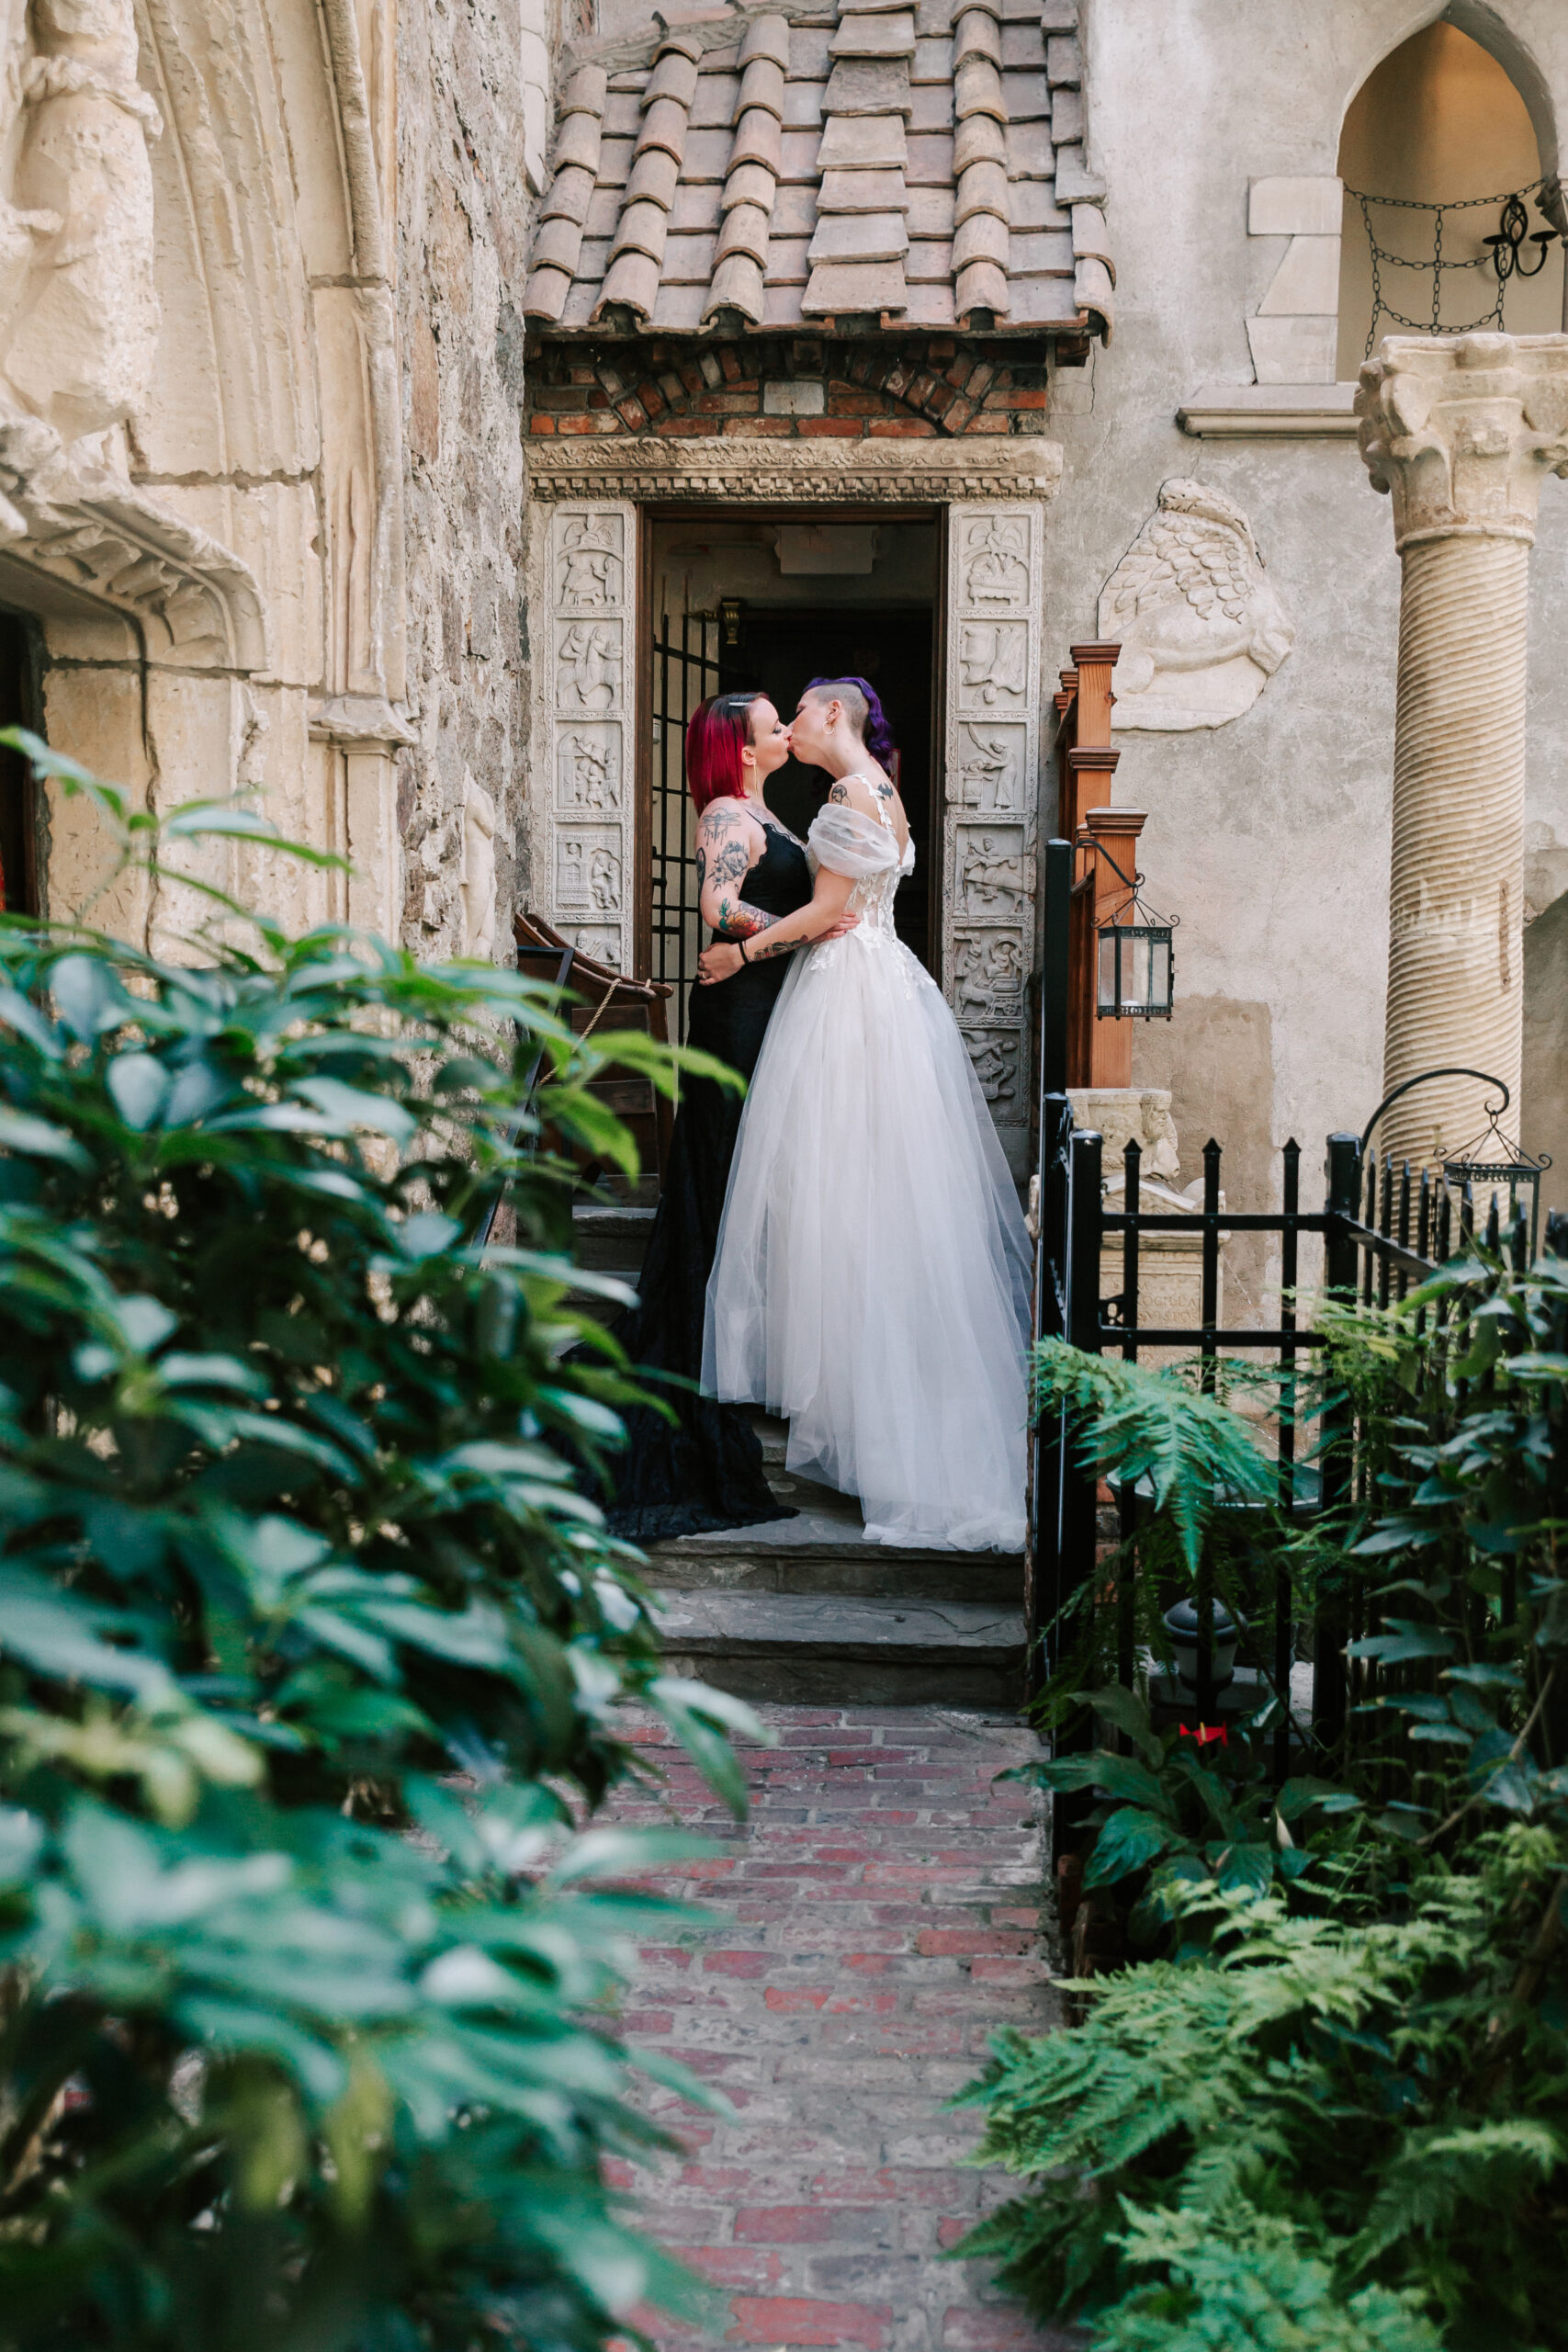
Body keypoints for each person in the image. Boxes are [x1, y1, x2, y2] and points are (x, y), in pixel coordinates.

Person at [700, 677, 1032, 1552]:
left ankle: (855, 1400)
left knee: (836, 1187)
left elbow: (829, 908)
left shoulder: (849, 793)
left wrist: (743, 954)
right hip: (884, 985)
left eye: (802, 713)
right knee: (870, 1190)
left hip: (846, 993)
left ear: (832, 715)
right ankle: (862, 1386)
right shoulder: (882, 791)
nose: (794, 727)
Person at [601, 689, 855, 1543]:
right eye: (771, 723)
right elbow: (716, 909)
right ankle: (707, 1352)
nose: (785, 730)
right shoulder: (723, 814)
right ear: (742, 748)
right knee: (727, 1177)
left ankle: (749, 1344)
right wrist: (795, 930)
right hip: (735, 1020)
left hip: (763, 1007)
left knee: (762, 1180)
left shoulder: (759, 808)